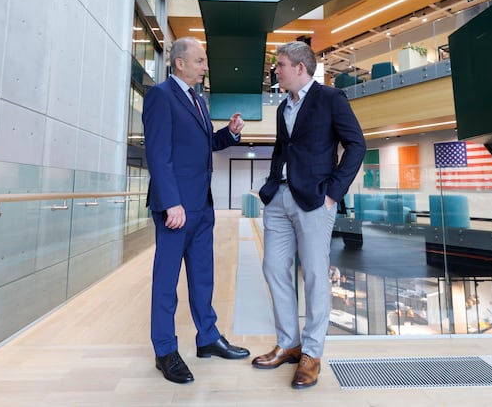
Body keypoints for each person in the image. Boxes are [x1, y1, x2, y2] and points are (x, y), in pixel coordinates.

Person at [252, 40, 366, 388]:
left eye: (281, 64)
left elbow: (356, 145)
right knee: (273, 266)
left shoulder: (331, 99)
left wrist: (333, 193)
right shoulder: (282, 106)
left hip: (315, 201)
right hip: (279, 200)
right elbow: (283, 149)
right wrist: (271, 186)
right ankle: (289, 343)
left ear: (300, 67)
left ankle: (312, 353)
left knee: (316, 275)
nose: (276, 70)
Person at [143, 36, 250, 385]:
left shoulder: (198, 101)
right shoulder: (161, 96)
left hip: (202, 206)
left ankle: (207, 338)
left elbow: (205, 146)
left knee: (203, 276)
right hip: (176, 208)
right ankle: (165, 350)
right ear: (180, 63)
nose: (206, 67)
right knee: (166, 282)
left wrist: (229, 134)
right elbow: (158, 154)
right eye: (201, 61)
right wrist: (171, 201)